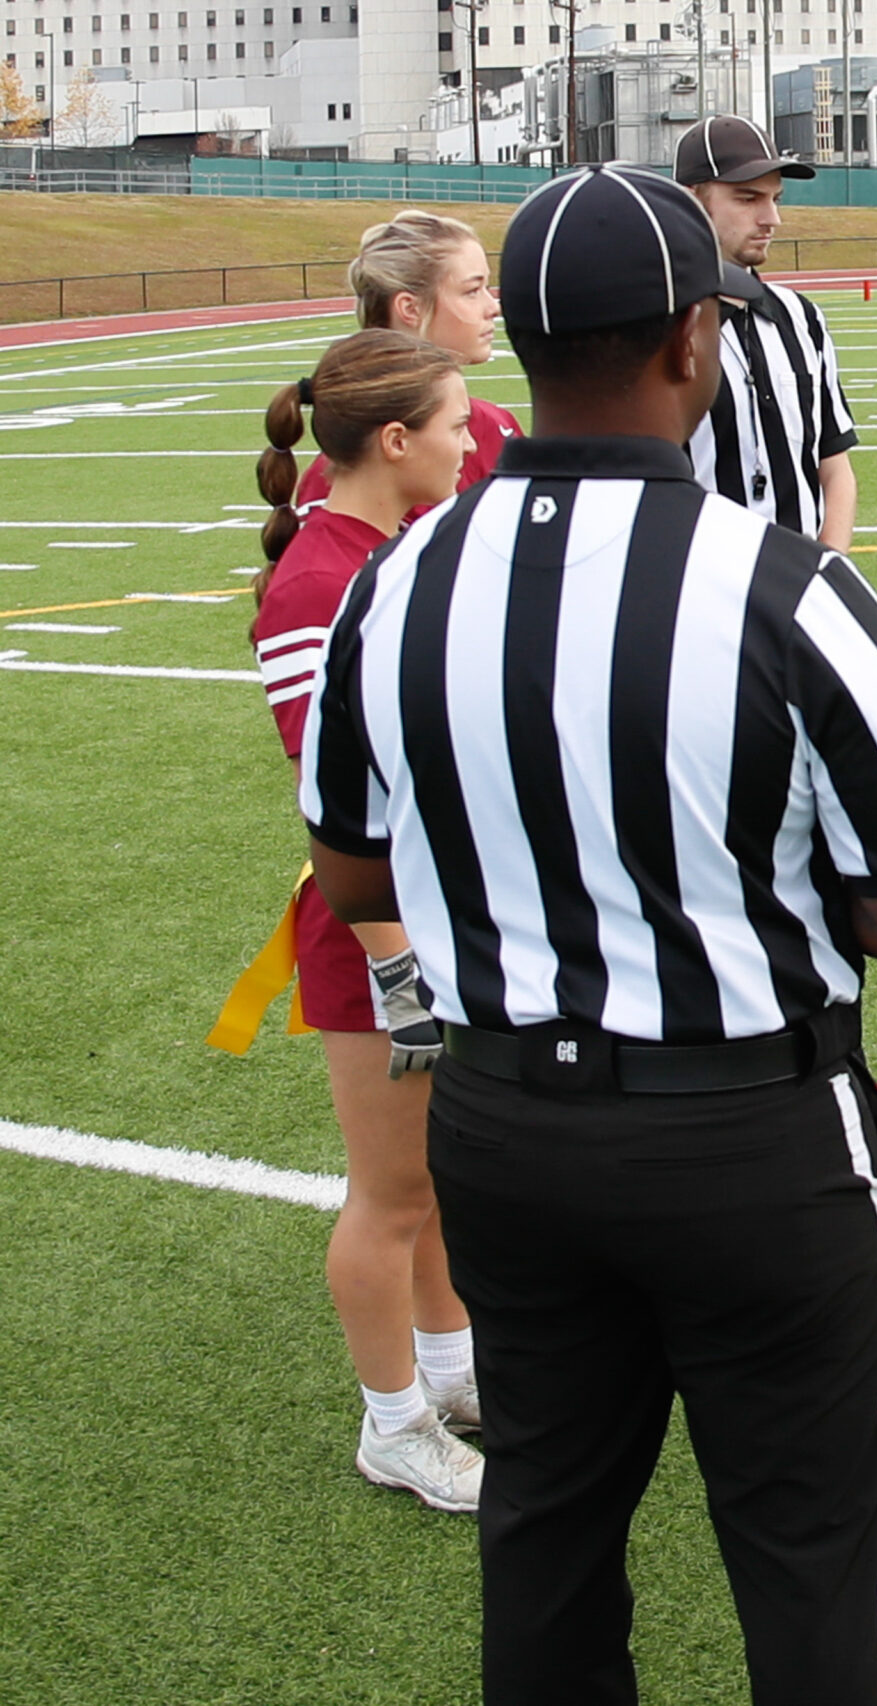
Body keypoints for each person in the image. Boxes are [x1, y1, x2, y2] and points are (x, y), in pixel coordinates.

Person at [299, 163, 877, 1706]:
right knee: (806, 1558)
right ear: (695, 341)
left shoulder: (401, 577)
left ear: (523, 347)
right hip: (752, 1136)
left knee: (546, 1532)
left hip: (504, 1129)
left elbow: (350, 873)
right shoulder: (784, 582)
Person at [250, 327, 485, 1512]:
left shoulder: (384, 549)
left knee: (436, 1175)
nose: (467, 441)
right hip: (374, 932)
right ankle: (392, 1424)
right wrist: (398, 971)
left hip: (427, 918)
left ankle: (452, 1377)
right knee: (389, 1189)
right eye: (451, 423)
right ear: (394, 441)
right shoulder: (317, 580)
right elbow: (331, 797)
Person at [675, 113, 877, 1134]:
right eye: (748, 196)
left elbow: (834, 457)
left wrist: (824, 570)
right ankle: (716, 1066)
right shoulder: (656, 321)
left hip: (791, 625)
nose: (771, 214)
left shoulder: (796, 318)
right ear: (691, 198)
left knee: (827, 859)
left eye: (775, 195)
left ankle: (842, 1065)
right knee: (709, 856)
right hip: (690, 629)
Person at [295, 210, 520, 515]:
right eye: (471, 291)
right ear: (410, 308)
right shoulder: (350, 473)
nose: (492, 307)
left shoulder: (495, 426)